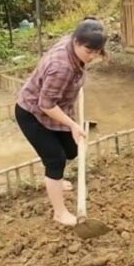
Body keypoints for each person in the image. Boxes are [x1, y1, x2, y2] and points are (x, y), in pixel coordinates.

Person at [15, 18, 107, 227]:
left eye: (97, 51)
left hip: (56, 109)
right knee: (55, 159)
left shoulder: (73, 46)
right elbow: (46, 105)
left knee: (72, 150)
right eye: (88, 51)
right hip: (33, 113)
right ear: (75, 41)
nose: (92, 57)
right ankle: (60, 212)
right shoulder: (61, 67)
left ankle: (54, 180)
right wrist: (74, 125)